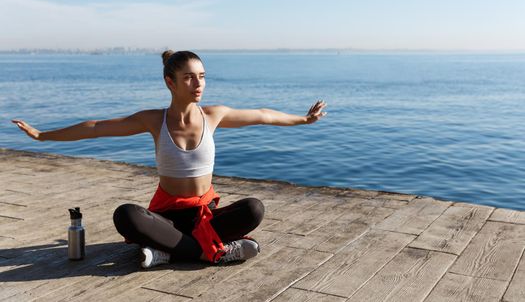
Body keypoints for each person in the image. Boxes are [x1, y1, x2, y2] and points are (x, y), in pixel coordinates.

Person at [12, 50, 328, 268]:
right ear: (170, 82)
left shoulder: (214, 115)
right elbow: (96, 128)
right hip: (167, 217)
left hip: (205, 214)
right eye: (189, 77)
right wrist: (43, 136)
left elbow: (263, 115)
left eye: (202, 76)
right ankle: (212, 253)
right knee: (127, 216)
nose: (198, 84)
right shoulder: (153, 120)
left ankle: (168, 252)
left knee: (253, 209)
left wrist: (302, 120)